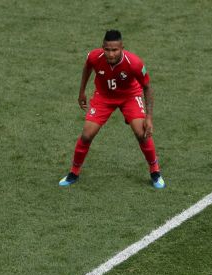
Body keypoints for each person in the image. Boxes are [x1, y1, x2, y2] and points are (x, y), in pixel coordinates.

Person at [58, 29, 165, 189]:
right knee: (87, 135)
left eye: (115, 50)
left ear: (122, 48)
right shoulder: (94, 57)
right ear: (102, 47)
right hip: (103, 97)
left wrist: (148, 117)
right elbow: (87, 68)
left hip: (129, 96)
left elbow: (147, 88)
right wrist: (81, 92)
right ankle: (74, 172)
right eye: (107, 49)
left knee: (141, 133)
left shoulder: (134, 63)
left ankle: (155, 171)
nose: (111, 54)